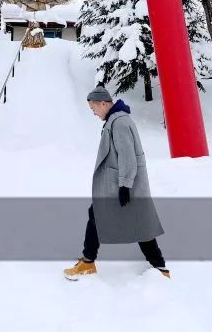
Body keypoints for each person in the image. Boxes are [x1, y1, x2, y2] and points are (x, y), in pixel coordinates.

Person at [63, 84, 169, 280]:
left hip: (122, 185)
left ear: (103, 103)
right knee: (101, 215)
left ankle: (160, 268)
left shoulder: (119, 122)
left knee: (140, 225)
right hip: (117, 184)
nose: (93, 113)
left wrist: (125, 186)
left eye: (93, 108)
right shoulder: (116, 120)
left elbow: (127, 156)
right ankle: (88, 261)